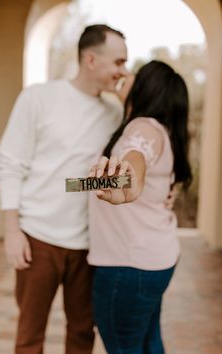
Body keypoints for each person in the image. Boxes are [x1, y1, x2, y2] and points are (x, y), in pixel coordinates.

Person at [0, 24, 128, 354]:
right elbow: (10, 163)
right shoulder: (39, 97)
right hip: (37, 238)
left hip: (88, 245)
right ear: (91, 59)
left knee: (83, 333)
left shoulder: (115, 113)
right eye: (119, 62)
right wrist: (12, 230)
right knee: (29, 337)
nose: (123, 71)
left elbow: (107, 179)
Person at [88, 60, 192, 354]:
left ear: (145, 87)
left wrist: (128, 180)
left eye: (133, 72)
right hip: (155, 259)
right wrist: (84, 183)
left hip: (127, 265)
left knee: (125, 347)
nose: (124, 74)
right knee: (148, 342)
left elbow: (137, 154)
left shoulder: (142, 128)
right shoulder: (164, 131)